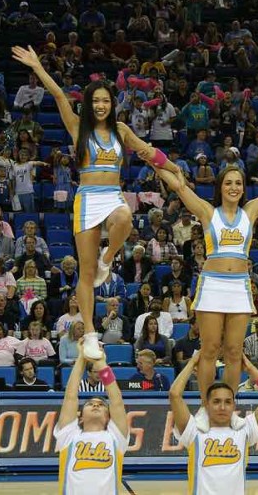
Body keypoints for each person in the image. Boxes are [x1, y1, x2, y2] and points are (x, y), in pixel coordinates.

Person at [12, 45, 180, 360]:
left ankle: (109, 258)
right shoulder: (79, 127)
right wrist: (38, 66)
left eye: (106, 100)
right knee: (85, 275)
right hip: (87, 198)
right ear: (89, 103)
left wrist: (173, 168)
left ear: (112, 104)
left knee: (125, 219)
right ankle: (90, 332)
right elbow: (61, 97)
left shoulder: (121, 129)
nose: (101, 105)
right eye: (96, 100)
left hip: (111, 195)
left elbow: (148, 152)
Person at [150, 163, 258, 431]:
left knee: (235, 352)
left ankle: (229, 407)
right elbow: (178, 186)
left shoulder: (251, 211)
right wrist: (151, 161)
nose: (234, 188)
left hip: (239, 286)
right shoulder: (207, 211)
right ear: (220, 187)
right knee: (210, 350)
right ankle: (206, 407)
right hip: (212, 284)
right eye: (228, 183)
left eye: (238, 183)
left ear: (243, 188)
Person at [170, 351, 258, 494]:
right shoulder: (194, 430)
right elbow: (174, 395)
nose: (222, 407)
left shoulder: (244, 429)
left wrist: (250, 369)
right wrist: (191, 364)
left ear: (234, 405)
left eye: (228, 402)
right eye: (216, 402)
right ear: (207, 404)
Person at [53, 340, 129, 495]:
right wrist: (81, 357)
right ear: (80, 417)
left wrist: (102, 365)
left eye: (101, 405)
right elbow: (70, 397)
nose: (95, 405)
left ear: (108, 417)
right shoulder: (69, 435)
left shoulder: (115, 437)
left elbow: (116, 401)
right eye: (89, 404)